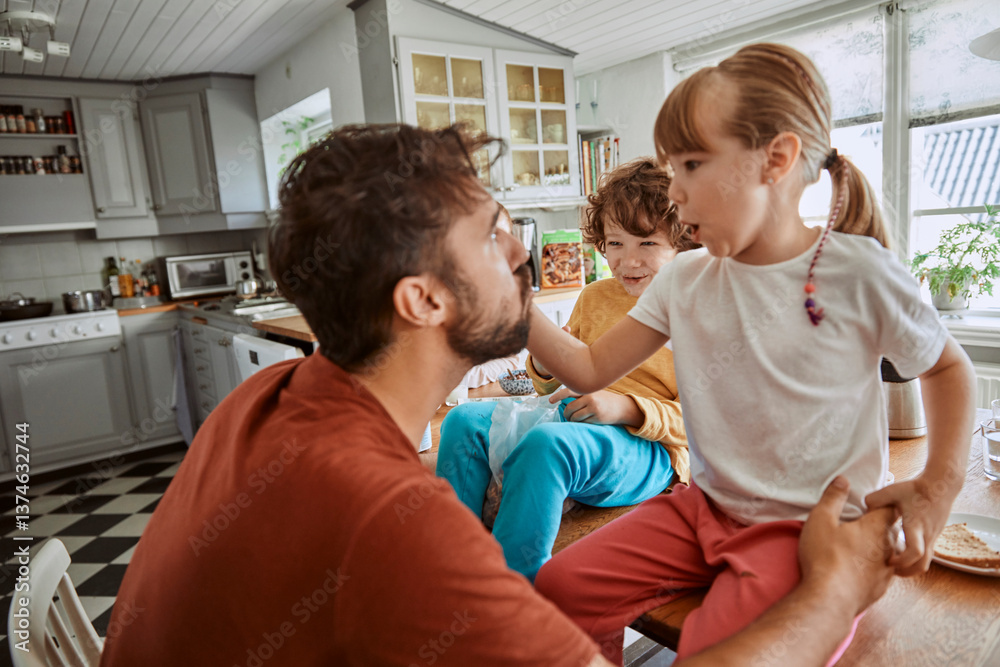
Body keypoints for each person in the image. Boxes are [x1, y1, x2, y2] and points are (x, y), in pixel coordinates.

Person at [97, 122, 898, 667]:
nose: (523, 247)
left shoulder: (269, 392)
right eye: (492, 234)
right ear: (424, 301)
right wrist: (834, 593)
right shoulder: (391, 519)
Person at [525, 43, 977, 665]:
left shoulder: (858, 273)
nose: (674, 192)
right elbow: (588, 368)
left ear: (777, 159)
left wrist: (938, 487)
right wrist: (512, 304)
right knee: (557, 590)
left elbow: (949, 366)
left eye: (690, 164)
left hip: (810, 533)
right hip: (704, 509)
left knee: (718, 648)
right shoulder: (682, 279)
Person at [437, 158, 696, 581]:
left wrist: (624, 408)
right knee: (462, 420)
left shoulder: (695, 308)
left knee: (547, 446)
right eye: (615, 243)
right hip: (572, 416)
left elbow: (699, 425)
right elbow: (548, 380)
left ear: (682, 242)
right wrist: (541, 362)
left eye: (647, 243)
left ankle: (515, 591)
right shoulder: (594, 297)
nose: (628, 260)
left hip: (651, 448)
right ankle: (455, 567)